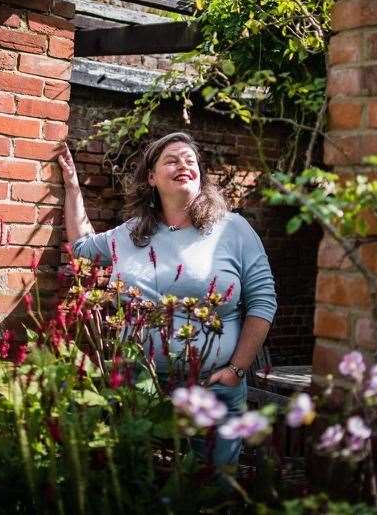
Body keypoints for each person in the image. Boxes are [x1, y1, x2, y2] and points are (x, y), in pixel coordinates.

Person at [57, 131, 277, 468]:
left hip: (211, 386)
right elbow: (83, 249)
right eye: (172, 160)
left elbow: (263, 301)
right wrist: (72, 187)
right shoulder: (130, 233)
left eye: (190, 161)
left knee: (211, 485)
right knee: (136, 482)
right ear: (151, 177)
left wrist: (236, 369)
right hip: (138, 385)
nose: (183, 165)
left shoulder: (233, 229)